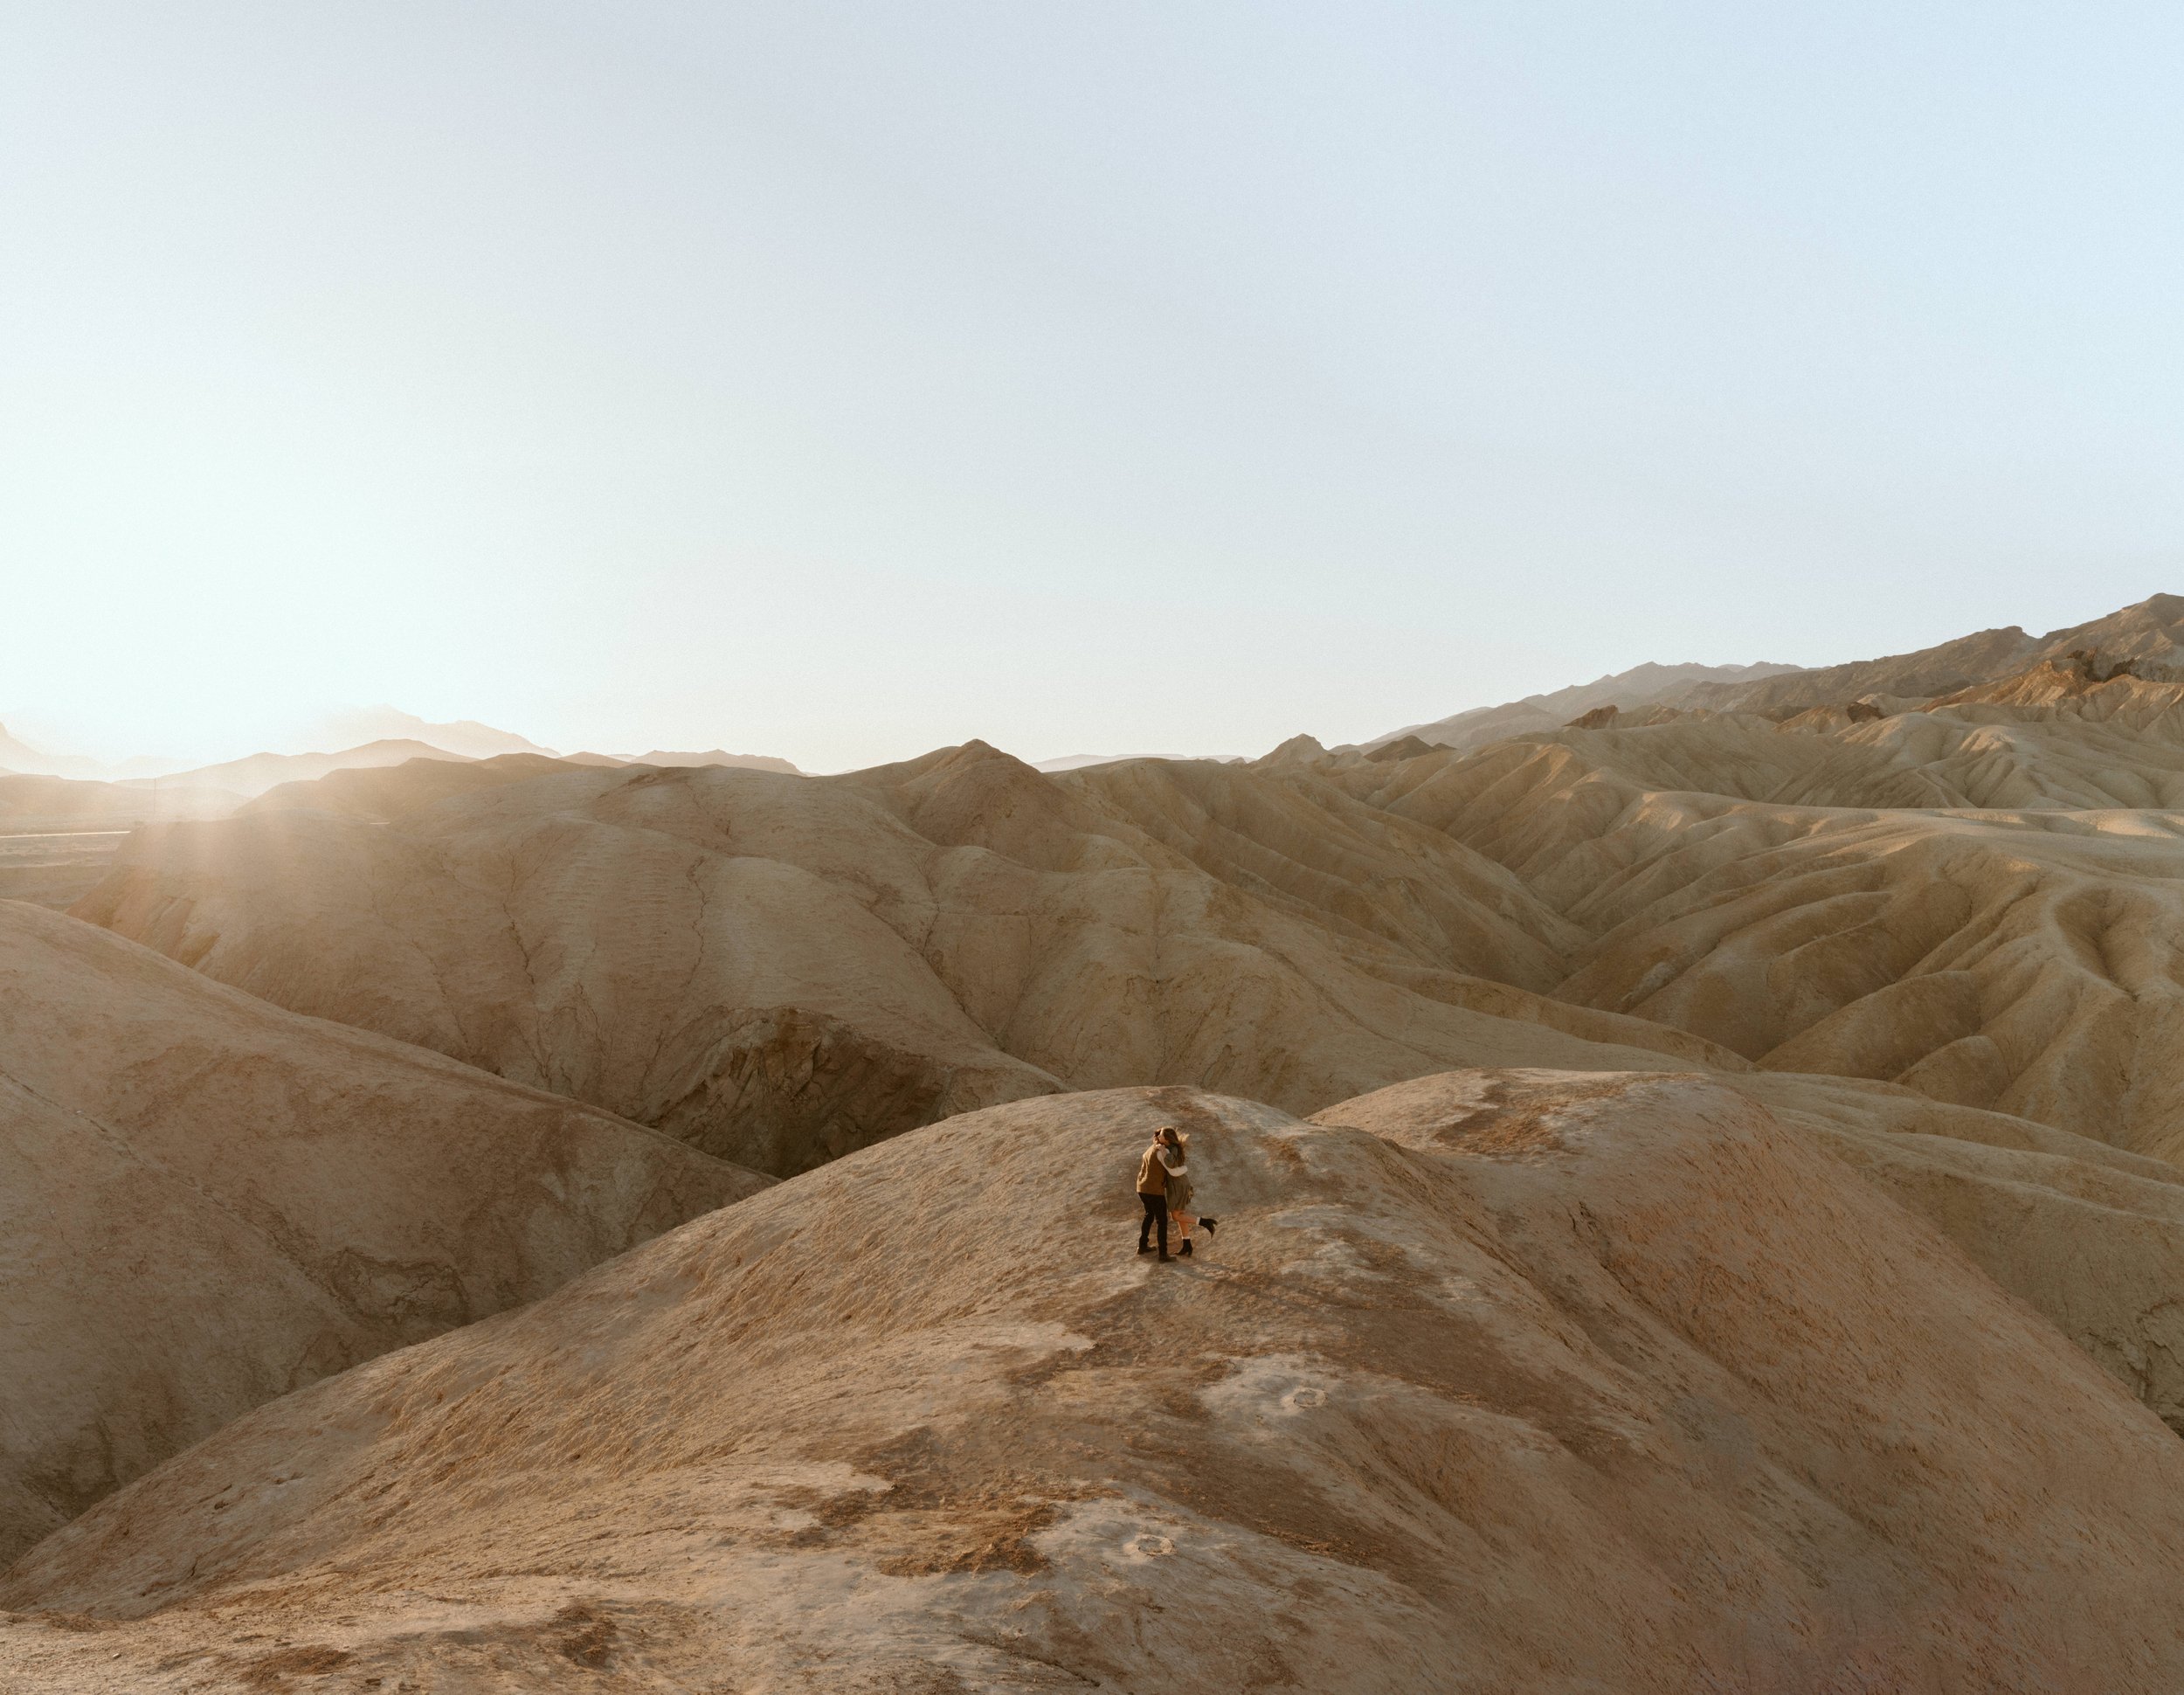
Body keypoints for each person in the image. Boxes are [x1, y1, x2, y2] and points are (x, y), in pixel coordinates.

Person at [1162, 1131, 1220, 1257]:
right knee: (1180, 1215)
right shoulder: (1173, 1147)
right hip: (1180, 1183)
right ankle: (1187, 1245)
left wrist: (1161, 1149)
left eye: (1161, 1135)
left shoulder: (1172, 1149)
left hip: (1177, 1185)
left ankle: (1205, 1222)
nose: (1158, 1137)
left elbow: (1170, 1164)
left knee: (1176, 1216)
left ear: (1167, 1139)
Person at [1136, 1126, 1184, 1261]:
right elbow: (1172, 1167)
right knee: (1162, 1221)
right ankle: (1163, 1255)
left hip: (1141, 1187)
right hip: (1153, 1190)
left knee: (1149, 1215)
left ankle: (1142, 1246)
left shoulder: (1151, 1148)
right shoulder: (1162, 1151)